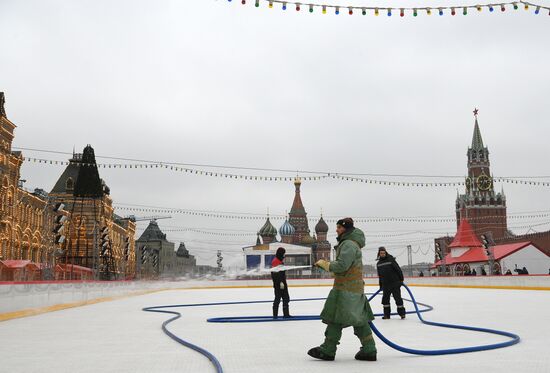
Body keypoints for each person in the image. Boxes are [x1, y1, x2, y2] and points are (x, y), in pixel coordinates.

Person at [307, 218, 377, 362]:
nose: (337, 230)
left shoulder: (348, 244)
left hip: (346, 289)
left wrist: (326, 264)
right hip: (352, 288)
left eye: (339, 227)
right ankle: (369, 349)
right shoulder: (350, 244)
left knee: (336, 318)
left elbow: (342, 265)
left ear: (346, 229)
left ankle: (328, 350)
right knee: (359, 319)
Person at [376, 247, 406, 319]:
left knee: (398, 299)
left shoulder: (391, 260)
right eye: (381, 253)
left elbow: (398, 269)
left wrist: (401, 280)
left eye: (383, 253)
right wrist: (381, 286)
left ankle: (402, 314)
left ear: (386, 253)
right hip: (385, 285)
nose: (382, 254)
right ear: (379, 254)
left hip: (395, 283)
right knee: (385, 300)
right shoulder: (378, 263)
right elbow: (380, 276)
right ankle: (386, 315)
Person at [271, 247, 290, 319]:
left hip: (282, 283)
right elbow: (275, 274)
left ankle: (286, 314)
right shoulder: (276, 261)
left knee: (286, 298)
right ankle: (275, 316)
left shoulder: (279, 260)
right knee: (277, 299)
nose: (284, 255)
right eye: (283, 253)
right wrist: (280, 283)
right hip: (278, 284)